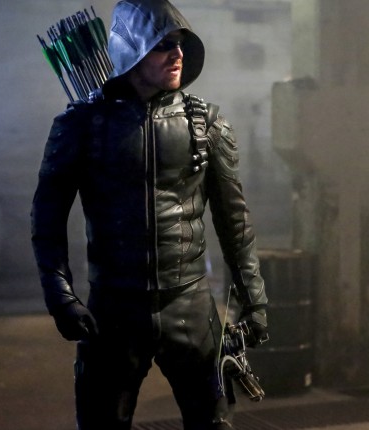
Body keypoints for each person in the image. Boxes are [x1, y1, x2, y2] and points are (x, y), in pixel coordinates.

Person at [30, 1, 268, 428]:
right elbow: (47, 218)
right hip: (114, 311)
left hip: (191, 306)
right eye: (163, 45)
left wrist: (253, 299)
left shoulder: (205, 123)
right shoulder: (84, 123)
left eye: (180, 44)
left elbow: (235, 221)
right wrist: (59, 294)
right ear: (132, 51)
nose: (177, 54)